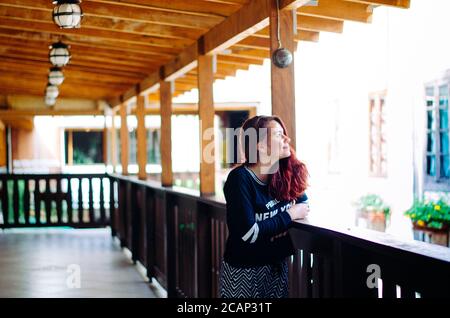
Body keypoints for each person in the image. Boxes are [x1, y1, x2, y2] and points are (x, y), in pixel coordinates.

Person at [219, 115, 310, 298]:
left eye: (284, 134)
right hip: (244, 271)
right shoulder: (240, 179)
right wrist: (288, 216)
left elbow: (304, 205)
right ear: (259, 145)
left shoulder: (283, 174)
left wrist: (268, 230)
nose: (287, 139)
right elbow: (248, 233)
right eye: (278, 134)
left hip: (276, 268)